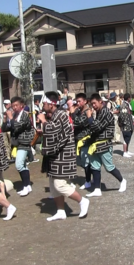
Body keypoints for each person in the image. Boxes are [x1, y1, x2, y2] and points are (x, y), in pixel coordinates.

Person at [37, 91, 90, 221]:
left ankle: (82, 201)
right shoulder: (56, 115)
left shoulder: (60, 115)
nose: (42, 106)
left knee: (60, 184)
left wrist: (43, 122)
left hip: (63, 155)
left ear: (51, 104)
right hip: (56, 155)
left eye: (44, 103)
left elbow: (53, 131)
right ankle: (61, 211)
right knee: (53, 185)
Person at [86, 93, 128, 197]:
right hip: (96, 144)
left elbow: (96, 127)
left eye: (95, 103)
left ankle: (122, 180)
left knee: (109, 167)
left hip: (104, 143)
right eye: (92, 104)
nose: (93, 106)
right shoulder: (99, 112)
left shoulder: (105, 112)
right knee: (95, 166)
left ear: (100, 101)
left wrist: (89, 117)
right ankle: (97, 189)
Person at [3, 97, 35, 196]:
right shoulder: (15, 115)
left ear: (22, 105)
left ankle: (26, 185)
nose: (14, 107)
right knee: (23, 165)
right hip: (17, 143)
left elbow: (17, 126)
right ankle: (27, 185)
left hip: (24, 142)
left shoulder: (24, 115)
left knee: (19, 164)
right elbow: (4, 129)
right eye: (13, 106)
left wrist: (11, 118)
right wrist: (5, 120)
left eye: (16, 105)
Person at [70, 93, 93, 189]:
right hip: (78, 139)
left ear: (85, 101)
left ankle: (88, 181)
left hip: (85, 139)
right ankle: (91, 177)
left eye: (79, 101)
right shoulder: (79, 111)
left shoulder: (87, 111)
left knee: (86, 161)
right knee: (81, 161)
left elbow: (79, 122)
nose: (78, 103)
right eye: (77, 101)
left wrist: (72, 113)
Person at [118, 93, 134, 158]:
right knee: (126, 138)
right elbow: (122, 115)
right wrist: (124, 123)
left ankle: (127, 151)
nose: (130, 99)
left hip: (129, 123)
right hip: (125, 125)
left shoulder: (127, 104)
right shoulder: (124, 105)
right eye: (130, 98)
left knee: (129, 137)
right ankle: (124, 152)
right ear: (128, 98)